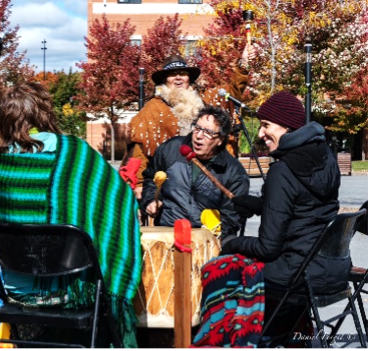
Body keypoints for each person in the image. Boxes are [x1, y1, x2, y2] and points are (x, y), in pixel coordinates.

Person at [0, 82, 142, 349]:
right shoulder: (73, 152)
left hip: (16, 291)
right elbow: (120, 199)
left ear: (5, 121)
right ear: (45, 114)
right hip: (67, 291)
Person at [223, 92, 344, 293]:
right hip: (333, 268)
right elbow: (306, 209)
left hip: (297, 274)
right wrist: (261, 205)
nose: (260, 134)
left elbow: (267, 249)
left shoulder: (283, 170)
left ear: (286, 126)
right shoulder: (326, 156)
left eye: (266, 125)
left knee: (217, 269)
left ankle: (240, 325)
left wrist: (230, 242)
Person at [122, 45, 256, 199]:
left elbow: (233, 91)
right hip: (170, 184)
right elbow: (139, 149)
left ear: (189, 79)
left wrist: (244, 63)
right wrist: (139, 184)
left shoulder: (205, 99)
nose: (178, 77)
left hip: (207, 180)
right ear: (165, 80)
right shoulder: (152, 109)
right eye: (172, 74)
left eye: (183, 74)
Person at [141, 105, 250, 243]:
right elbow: (151, 179)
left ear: (220, 139)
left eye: (208, 132)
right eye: (197, 128)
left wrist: (214, 242)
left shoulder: (233, 172)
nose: (199, 136)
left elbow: (232, 218)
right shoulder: (171, 149)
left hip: (206, 241)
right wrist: (150, 200)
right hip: (168, 233)